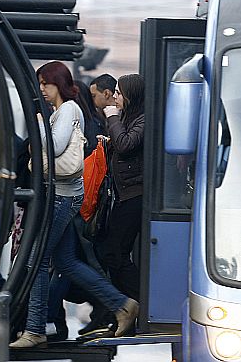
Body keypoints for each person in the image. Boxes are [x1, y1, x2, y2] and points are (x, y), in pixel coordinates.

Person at [10, 62, 138, 348]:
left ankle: (34, 330)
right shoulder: (61, 112)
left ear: (60, 83)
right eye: (40, 83)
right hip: (62, 196)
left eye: (47, 83)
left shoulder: (67, 109)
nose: (42, 89)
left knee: (36, 261)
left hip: (60, 197)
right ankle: (122, 305)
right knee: (66, 261)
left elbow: (53, 146)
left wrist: (39, 126)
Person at [97, 74, 145, 310]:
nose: (115, 97)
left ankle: (138, 302)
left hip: (134, 194)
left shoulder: (143, 120)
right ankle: (127, 305)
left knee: (113, 253)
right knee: (110, 252)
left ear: (130, 95)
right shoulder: (131, 118)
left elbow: (126, 144)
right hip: (124, 193)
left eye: (119, 93)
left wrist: (113, 119)